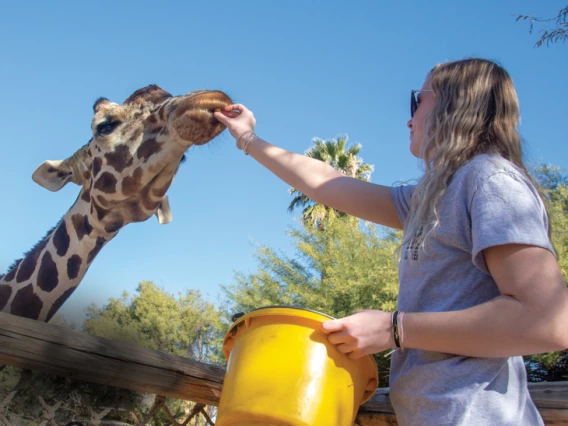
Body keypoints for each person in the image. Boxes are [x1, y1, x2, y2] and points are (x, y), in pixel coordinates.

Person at [214, 58, 568, 425]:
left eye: (418, 100)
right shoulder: (434, 196)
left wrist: (393, 329)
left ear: (454, 105)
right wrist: (248, 139)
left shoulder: (490, 180)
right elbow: (326, 183)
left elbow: (546, 320)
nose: (409, 118)